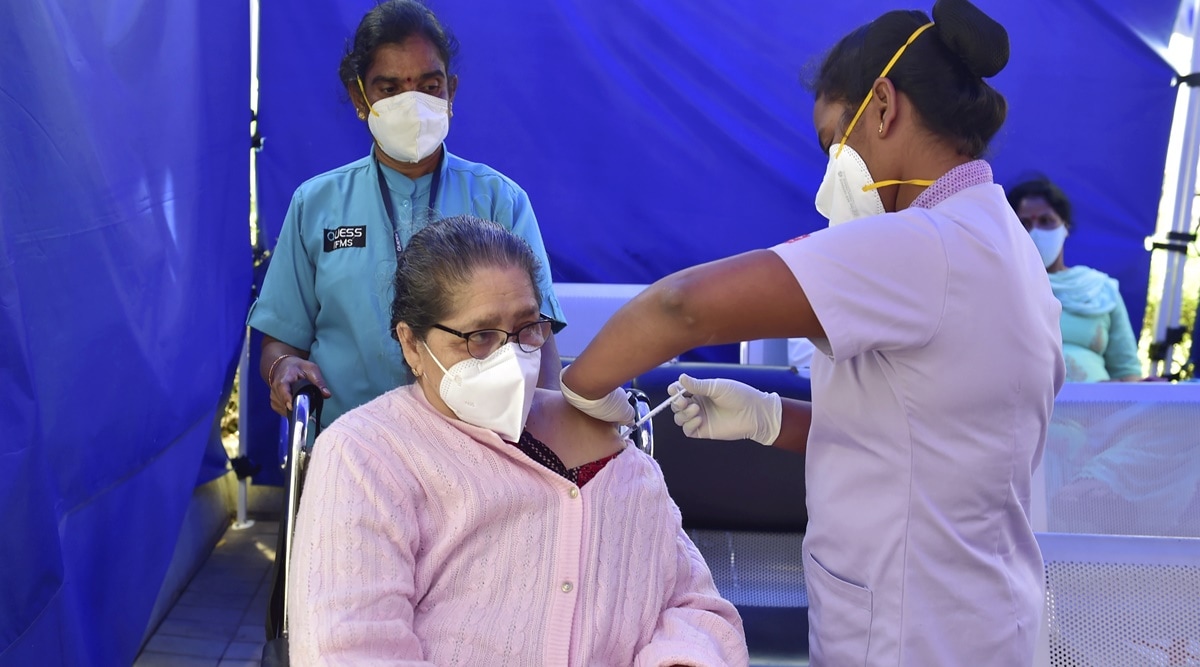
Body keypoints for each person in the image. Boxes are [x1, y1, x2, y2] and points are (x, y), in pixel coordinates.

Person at [559, 1, 1065, 665]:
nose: (832, 168)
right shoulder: (998, 238)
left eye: (835, 141)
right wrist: (771, 416)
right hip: (979, 617)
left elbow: (680, 306)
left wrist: (577, 395)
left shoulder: (921, 243)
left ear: (883, 105)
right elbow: (922, 429)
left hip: (913, 633)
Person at [287, 217, 748, 666]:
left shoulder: (612, 451)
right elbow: (350, 648)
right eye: (480, 336)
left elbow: (694, 606)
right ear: (411, 346)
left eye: (527, 327)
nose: (510, 358)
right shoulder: (367, 456)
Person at [248, 0, 565, 428]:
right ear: (358, 97)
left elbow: (537, 338)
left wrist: (538, 435)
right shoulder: (316, 203)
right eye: (390, 88)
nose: (412, 104)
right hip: (351, 444)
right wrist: (281, 368)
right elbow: (280, 342)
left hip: (477, 449)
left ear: (451, 90)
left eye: (430, 87)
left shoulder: (499, 200)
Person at [1007, 177, 1144, 382]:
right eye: (1024, 224)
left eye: (1046, 221)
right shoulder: (1001, 289)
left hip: (1098, 412)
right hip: (1024, 411)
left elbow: (1127, 372)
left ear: (1065, 226)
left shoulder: (1100, 290)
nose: (1035, 232)